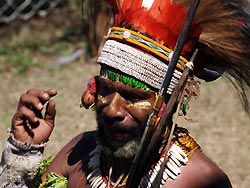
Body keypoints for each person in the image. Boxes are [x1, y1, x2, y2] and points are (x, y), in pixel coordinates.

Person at [0, 0, 249, 187]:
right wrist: (23, 153)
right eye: (105, 91)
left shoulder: (199, 180)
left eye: (134, 97)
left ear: (173, 102)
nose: (112, 110)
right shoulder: (79, 152)